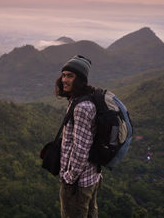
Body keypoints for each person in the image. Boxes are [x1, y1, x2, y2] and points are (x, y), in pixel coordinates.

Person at [55, 55, 102, 218]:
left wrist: (69, 177)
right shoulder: (82, 99)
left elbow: (81, 149)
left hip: (78, 183)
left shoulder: (82, 107)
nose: (64, 80)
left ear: (80, 80)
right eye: (64, 75)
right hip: (91, 176)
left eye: (70, 76)